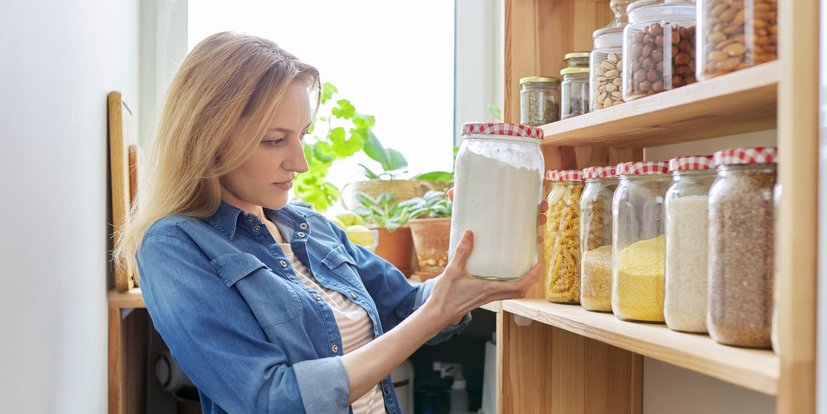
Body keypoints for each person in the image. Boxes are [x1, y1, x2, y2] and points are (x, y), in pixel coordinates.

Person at [114, 32, 544, 414]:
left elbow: (408, 308)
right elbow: (268, 400)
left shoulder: (311, 228)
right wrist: (434, 315)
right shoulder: (173, 246)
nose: (299, 162)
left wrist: (480, 242)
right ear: (208, 139)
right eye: (274, 140)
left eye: (301, 135)